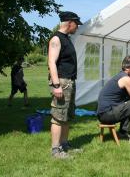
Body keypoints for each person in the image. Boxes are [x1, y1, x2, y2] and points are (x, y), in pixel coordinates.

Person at [48, 11, 83, 159]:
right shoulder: (56, 39)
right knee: (58, 116)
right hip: (61, 81)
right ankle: (56, 150)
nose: (77, 27)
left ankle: (64, 145)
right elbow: (51, 62)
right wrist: (56, 85)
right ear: (70, 23)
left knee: (67, 116)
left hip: (69, 81)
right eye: (77, 24)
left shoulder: (67, 38)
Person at [97, 56, 130, 144]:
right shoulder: (126, 79)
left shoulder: (120, 76)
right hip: (107, 114)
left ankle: (123, 132)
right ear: (126, 67)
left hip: (103, 114)